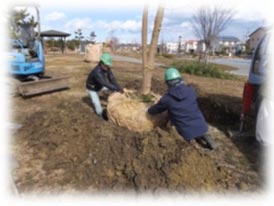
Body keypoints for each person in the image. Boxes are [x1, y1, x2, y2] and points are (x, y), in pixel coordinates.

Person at [147, 67, 214, 150]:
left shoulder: (167, 98)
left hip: (186, 132)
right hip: (201, 125)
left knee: (188, 138)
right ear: (180, 79)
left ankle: (195, 146)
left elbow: (154, 110)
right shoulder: (191, 91)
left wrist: (149, 110)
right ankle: (209, 141)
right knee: (202, 130)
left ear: (168, 83)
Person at [86, 52, 123, 117]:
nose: (108, 67)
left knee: (114, 89)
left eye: (108, 65)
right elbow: (105, 83)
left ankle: (114, 102)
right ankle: (100, 115)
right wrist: (116, 88)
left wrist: (118, 87)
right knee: (97, 105)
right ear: (101, 63)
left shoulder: (106, 68)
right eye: (106, 65)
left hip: (99, 86)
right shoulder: (97, 72)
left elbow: (112, 79)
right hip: (92, 89)